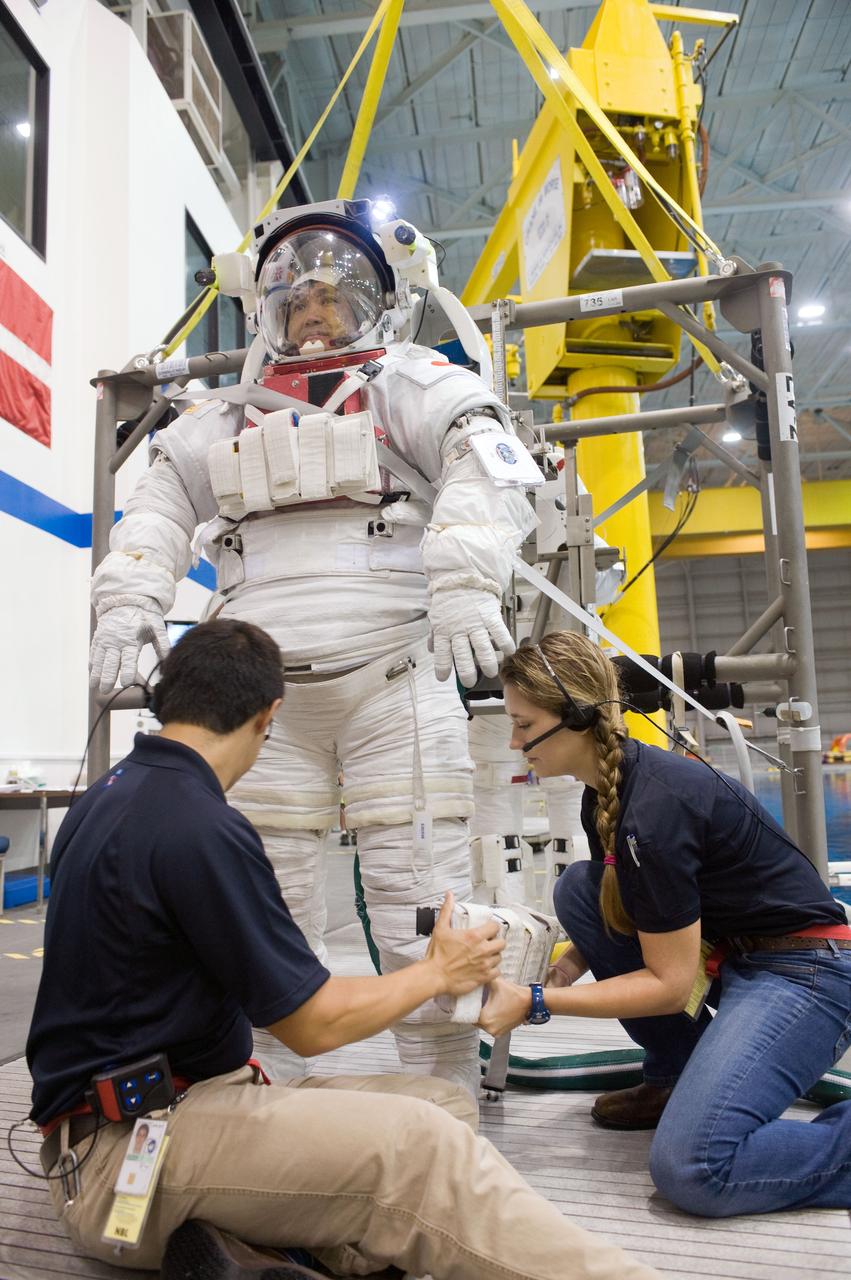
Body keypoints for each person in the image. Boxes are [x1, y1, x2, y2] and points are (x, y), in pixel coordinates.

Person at [27, 619, 662, 1280]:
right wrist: (437, 973)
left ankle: (251, 1252)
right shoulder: (199, 826)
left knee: (439, 1106)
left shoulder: (111, 794)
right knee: (421, 1149)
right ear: (269, 714)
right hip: (128, 1158)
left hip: (160, 1111)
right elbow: (311, 1023)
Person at [87, 196, 538, 1092]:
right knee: (270, 917)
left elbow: (483, 466)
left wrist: (460, 578)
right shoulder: (217, 418)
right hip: (264, 709)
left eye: (335, 293)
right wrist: (127, 601)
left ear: (378, 300)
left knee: (424, 900)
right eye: (296, 297)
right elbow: (155, 513)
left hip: (398, 677)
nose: (315, 308)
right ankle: (280, 1108)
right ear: (268, 310)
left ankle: (440, 1101)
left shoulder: (413, 385)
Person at [479, 631, 851, 1218]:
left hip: (807, 973)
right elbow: (633, 905)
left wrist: (534, 1002)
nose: (514, 740)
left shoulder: (653, 812)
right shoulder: (605, 790)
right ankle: (678, 1075)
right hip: (743, 958)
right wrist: (572, 963)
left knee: (695, 1167)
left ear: (576, 716)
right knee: (580, 888)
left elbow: (671, 985)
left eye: (524, 725)